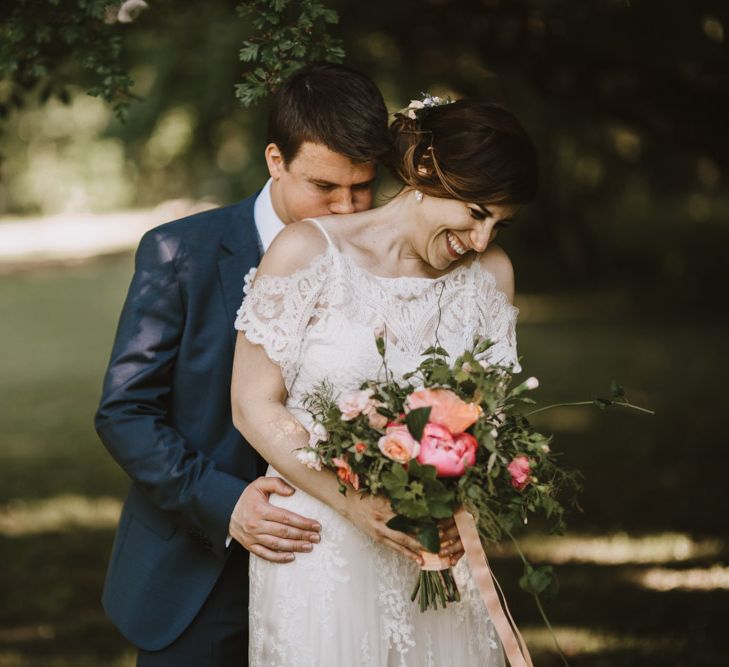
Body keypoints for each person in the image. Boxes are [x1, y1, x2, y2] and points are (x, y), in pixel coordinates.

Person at [94, 63, 406, 667]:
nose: (345, 209)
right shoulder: (181, 251)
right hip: (201, 567)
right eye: (324, 186)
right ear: (274, 159)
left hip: (342, 575)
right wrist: (227, 504)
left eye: (363, 186)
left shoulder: (387, 265)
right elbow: (125, 412)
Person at [231, 97, 538, 666]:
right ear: (423, 170)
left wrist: (459, 496)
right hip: (321, 544)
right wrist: (358, 505)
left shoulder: (491, 274)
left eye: (500, 222)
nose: (481, 238)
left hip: (435, 547)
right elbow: (253, 404)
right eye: (475, 211)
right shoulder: (306, 252)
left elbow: (487, 417)